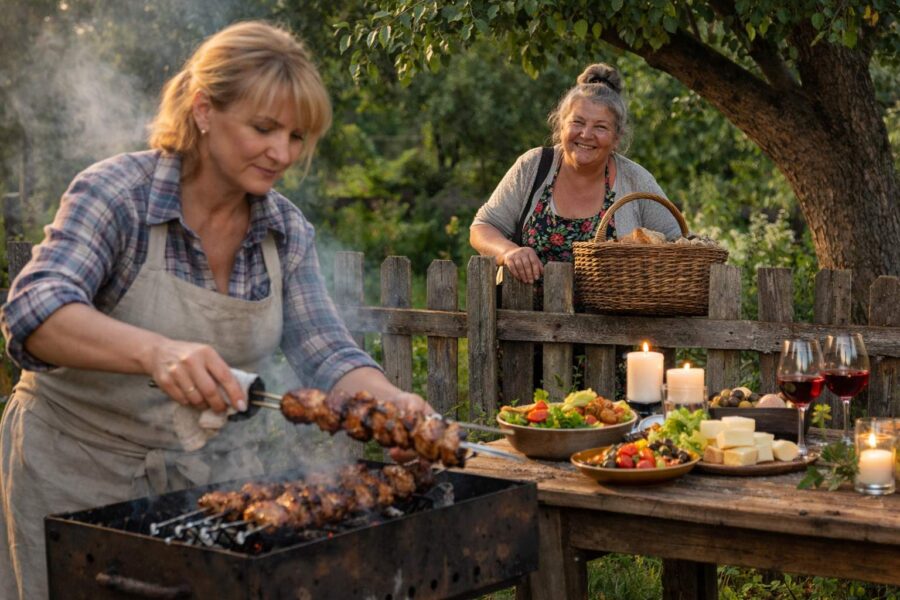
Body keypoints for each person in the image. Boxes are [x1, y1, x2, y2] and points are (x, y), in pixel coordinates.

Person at [0, 21, 433, 599]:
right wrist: (157, 352)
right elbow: (34, 311)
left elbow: (325, 350)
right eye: (264, 128)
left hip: (194, 489)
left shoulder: (285, 230)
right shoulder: (117, 195)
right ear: (204, 110)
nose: (283, 153)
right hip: (72, 475)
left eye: (298, 136)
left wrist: (393, 402)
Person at [470, 63, 681, 290]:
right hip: (524, 319)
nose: (586, 134)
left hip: (614, 324)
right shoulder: (533, 166)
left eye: (600, 127)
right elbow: (482, 227)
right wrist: (508, 251)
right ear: (561, 126)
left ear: (617, 138)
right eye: (577, 122)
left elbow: (679, 245)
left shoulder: (636, 180)